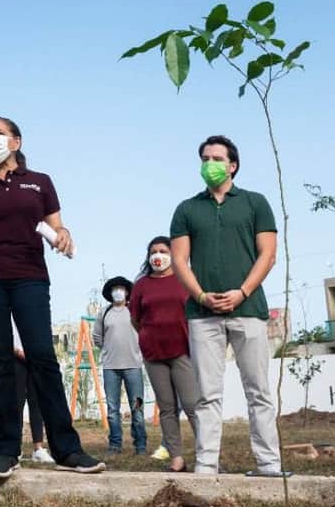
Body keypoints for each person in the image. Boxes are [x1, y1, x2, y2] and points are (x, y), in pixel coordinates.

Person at [0, 116, 103, 483]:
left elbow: (58, 226)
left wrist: (64, 234)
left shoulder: (39, 182)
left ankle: (67, 449)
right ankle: (5, 452)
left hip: (29, 278)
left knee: (42, 356)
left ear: (16, 141)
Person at [170, 135, 282, 476]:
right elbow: (178, 260)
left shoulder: (255, 203)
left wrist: (242, 292)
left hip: (248, 310)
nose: (209, 164)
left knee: (259, 391)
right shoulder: (187, 209)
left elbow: (268, 254)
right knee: (206, 395)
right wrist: (202, 296)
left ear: (232, 165)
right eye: (204, 158)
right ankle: (206, 464)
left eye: (216, 158)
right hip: (203, 315)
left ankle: (268, 464)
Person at [130, 235, 199, 473]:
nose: (157, 256)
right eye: (153, 252)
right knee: (167, 408)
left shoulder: (184, 279)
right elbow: (135, 319)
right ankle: (177, 457)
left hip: (182, 351)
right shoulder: (141, 285)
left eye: (162, 251)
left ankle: (206, 455)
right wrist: (149, 336)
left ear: (172, 254)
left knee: (192, 404)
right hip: (154, 354)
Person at [93, 276, 147, 455]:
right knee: (112, 409)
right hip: (110, 368)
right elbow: (97, 338)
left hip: (134, 366)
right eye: (114, 288)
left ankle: (140, 445)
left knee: (137, 407)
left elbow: (144, 330)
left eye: (121, 288)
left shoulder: (134, 310)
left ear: (127, 291)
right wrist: (108, 350)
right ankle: (115, 444)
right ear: (110, 292)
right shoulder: (104, 313)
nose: (118, 291)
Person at [14, 320, 53, 464]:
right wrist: (18, 351)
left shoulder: (32, 309)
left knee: (36, 403)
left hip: (35, 359)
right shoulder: (9, 312)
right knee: (17, 404)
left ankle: (38, 448)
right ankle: (15, 448)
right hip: (16, 360)